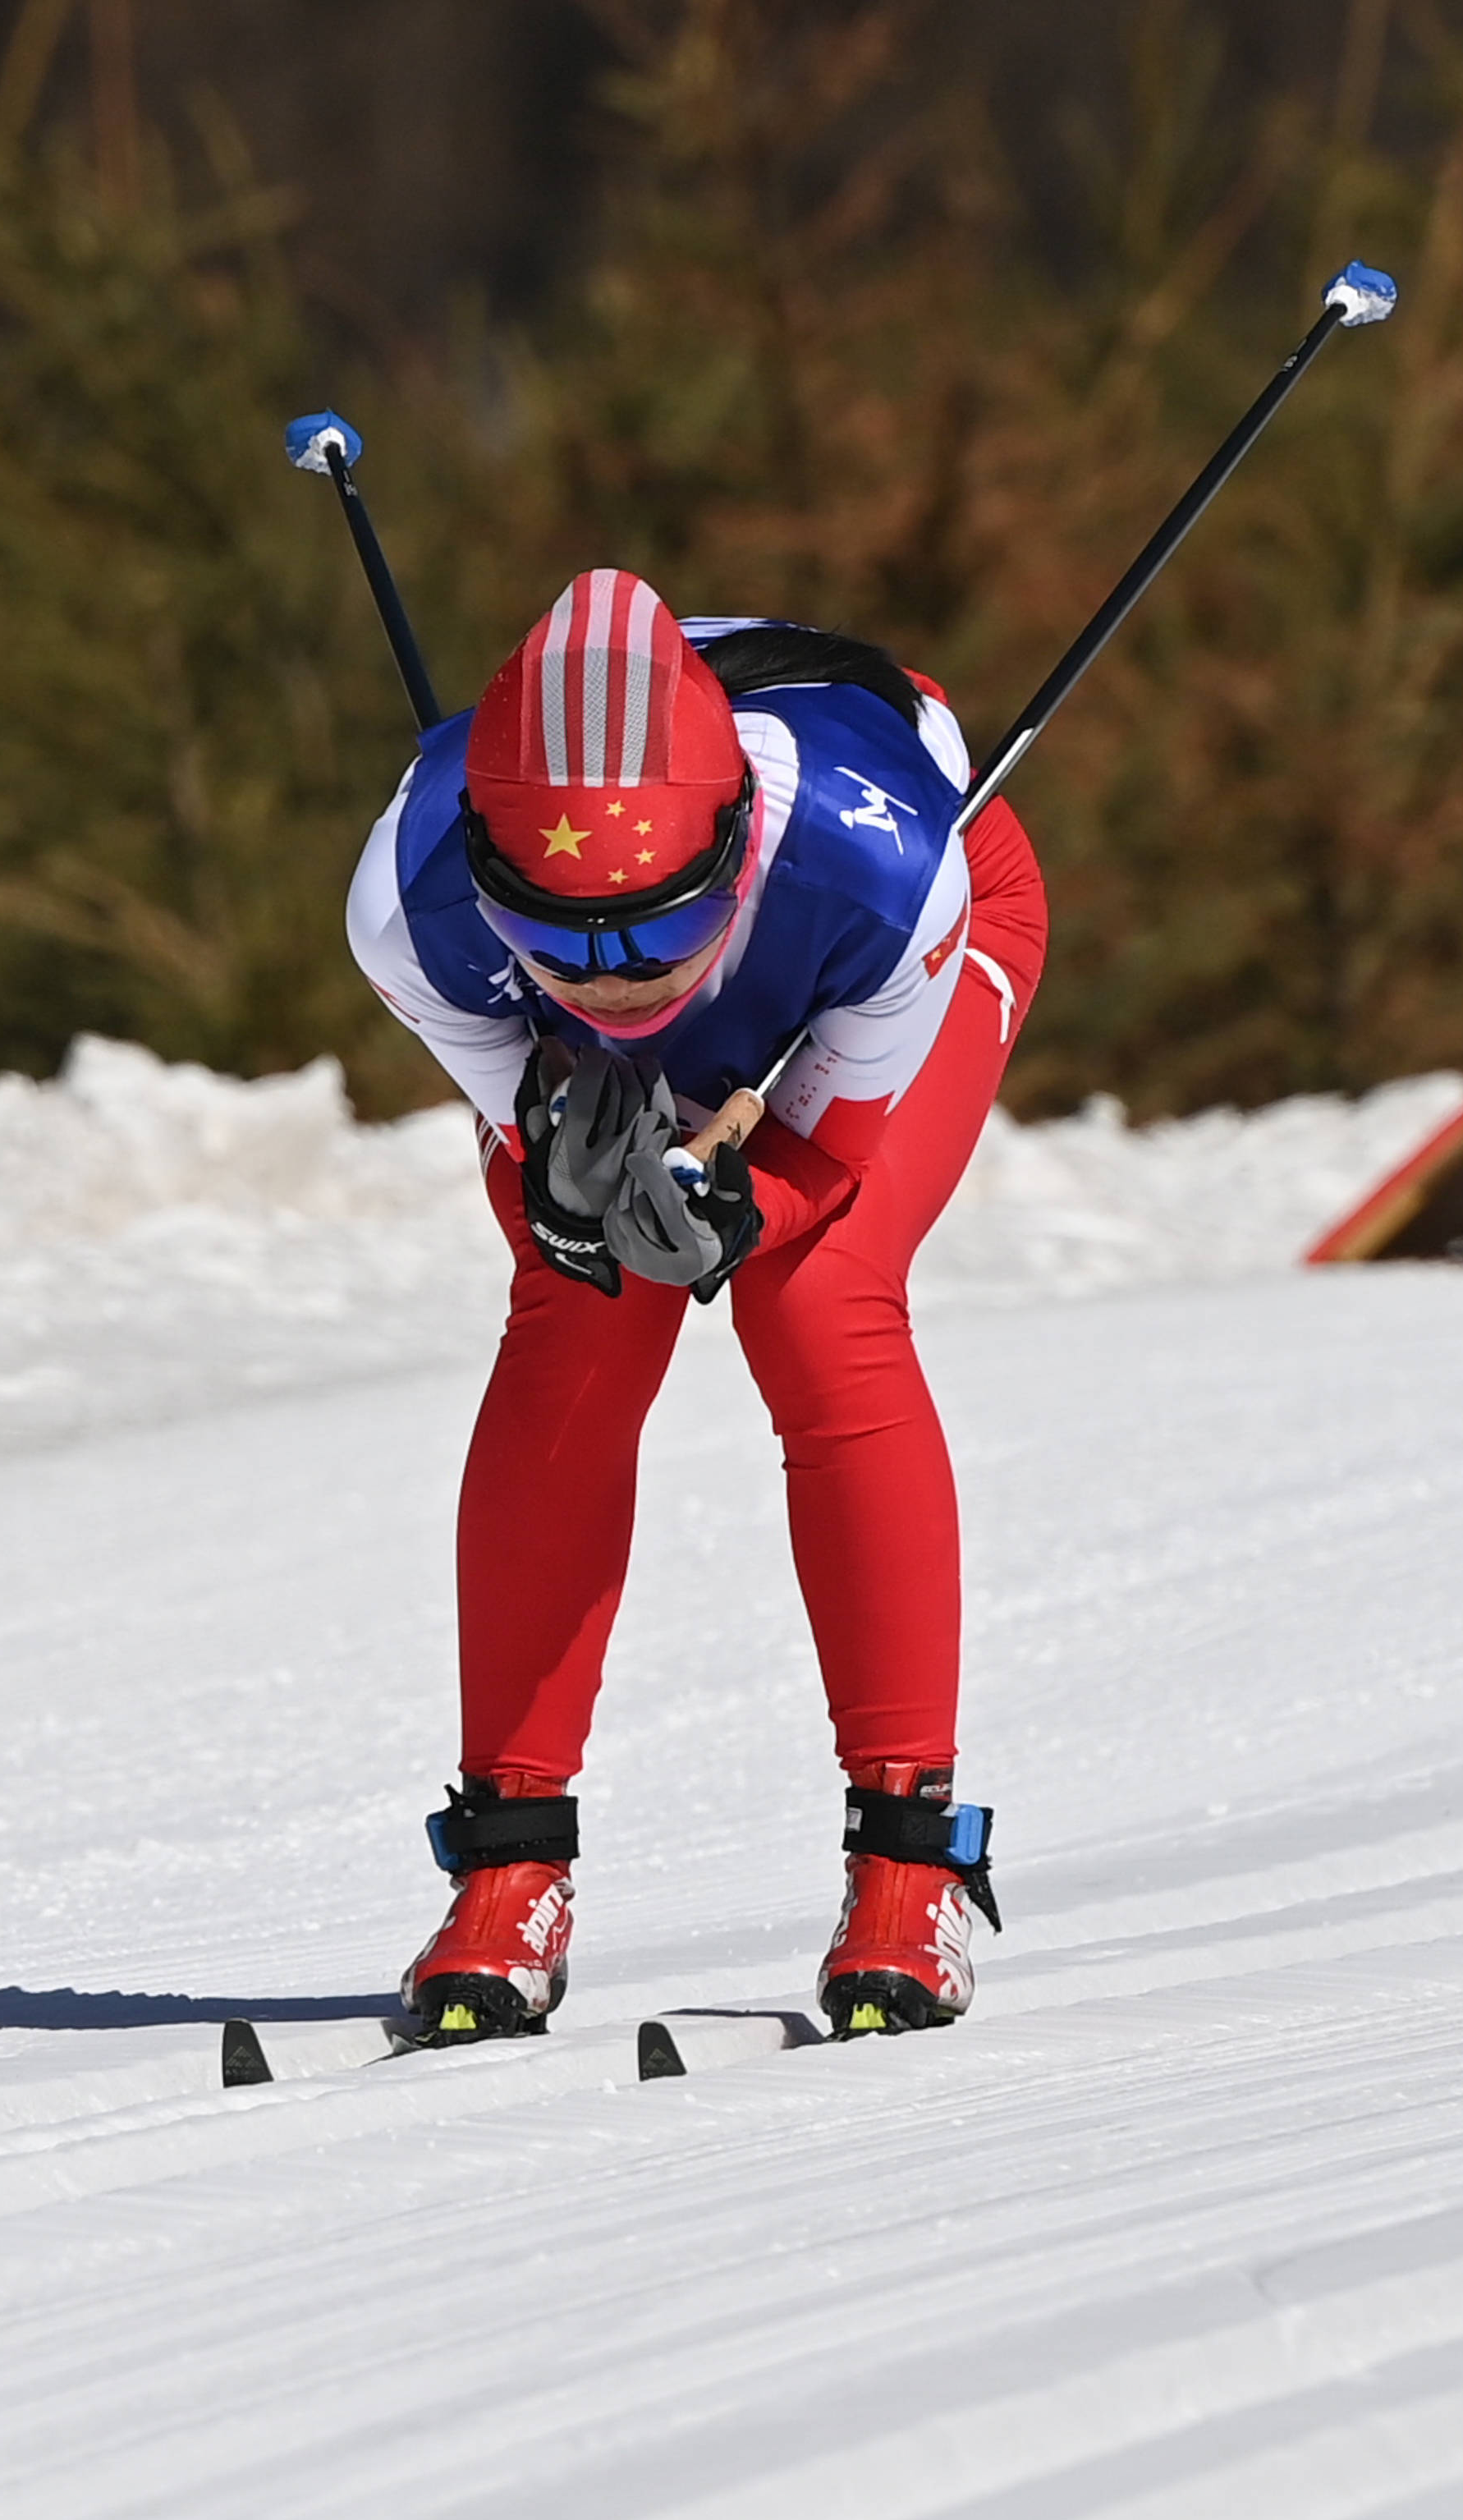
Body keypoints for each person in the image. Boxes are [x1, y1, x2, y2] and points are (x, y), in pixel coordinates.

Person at [347, 568, 1048, 2040]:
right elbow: (535, 1154)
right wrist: (557, 1186)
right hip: (689, 953)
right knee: (577, 1303)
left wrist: (746, 1202)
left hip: (869, 960)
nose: (613, 987)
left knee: (817, 1297)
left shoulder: (883, 874)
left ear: (726, 852)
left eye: (658, 936)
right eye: (561, 950)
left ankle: (907, 1864)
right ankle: (505, 1870)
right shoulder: (410, 909)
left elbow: (824, 1160)